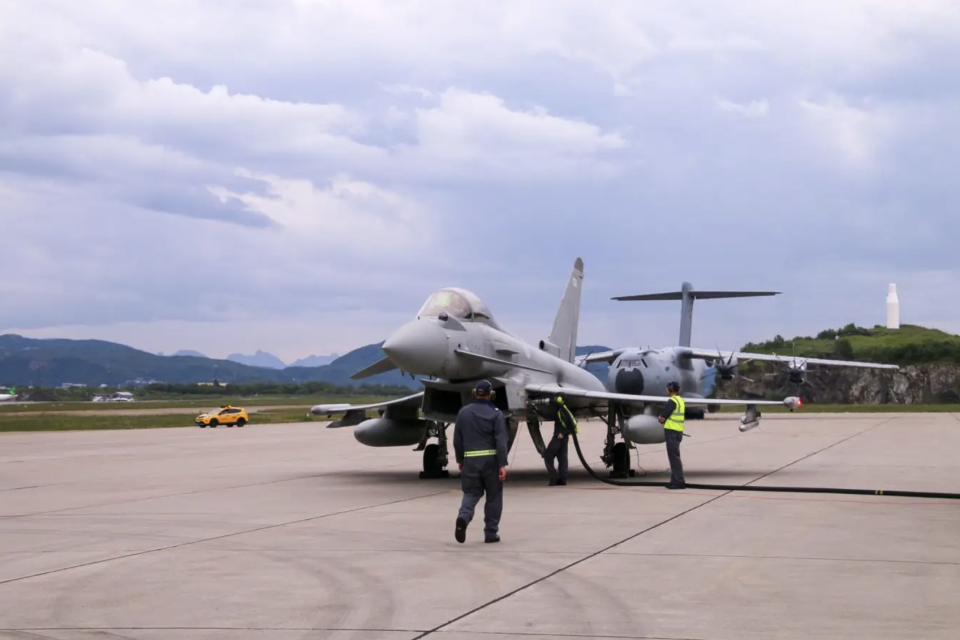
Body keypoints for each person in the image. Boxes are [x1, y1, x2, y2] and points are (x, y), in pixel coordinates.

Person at [453, 380, 509, 544]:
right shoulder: (496, 413)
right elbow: (501, 440)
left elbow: (457, 439)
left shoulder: (463, 412)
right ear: (490, 394)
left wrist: (460, 460)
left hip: (470, 460)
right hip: (491, 461)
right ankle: (491, 533)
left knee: (470, 493)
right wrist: (502, 464)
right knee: (494, 496)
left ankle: (463, 516)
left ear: (474, 393)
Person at [543, 394, 578, 486]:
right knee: (562, 457)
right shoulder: (561, 410)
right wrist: (536, 410)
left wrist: (563, 433)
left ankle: (554, 478)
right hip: (563, 437)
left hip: (559, 437)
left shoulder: (564, 411)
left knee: (548, 455)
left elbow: (571, 424)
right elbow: (549, 416)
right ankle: (563, 479)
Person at [658, 381, 686, 489]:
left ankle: (679, 481)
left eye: (667, 388)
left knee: (674, 458)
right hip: (678, 432)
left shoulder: (672, 401)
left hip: (672, 432)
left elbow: (662, 417)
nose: (666, 390)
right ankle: (674, 480)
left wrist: (660, 418)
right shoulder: (680, 401)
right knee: (675, 456)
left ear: (670, 389)